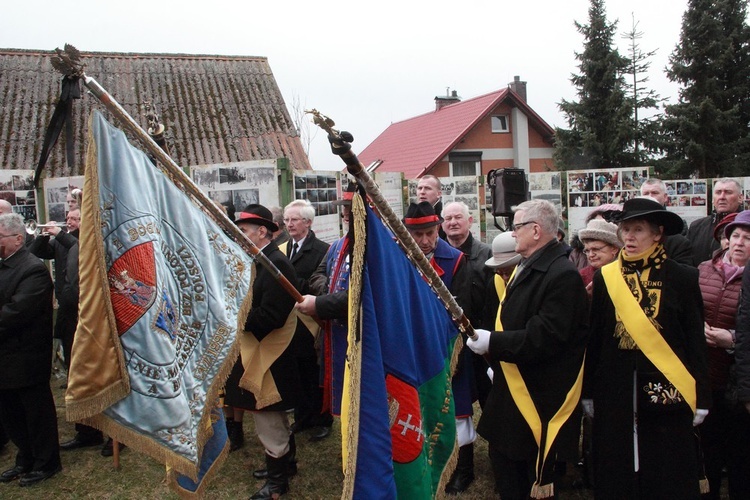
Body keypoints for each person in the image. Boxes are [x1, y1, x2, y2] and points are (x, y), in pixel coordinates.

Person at [584, 197, 710, 499]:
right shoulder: (606, 277)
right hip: (615, 387)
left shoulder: (682, 276)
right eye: (625, 229)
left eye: (638, 229)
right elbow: (597, 337)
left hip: (666, 387)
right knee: (618, 466)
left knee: (665, 468)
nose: (629, 237)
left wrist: (701, 395)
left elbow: (695, 339)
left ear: (657, 234)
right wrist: (589, 389)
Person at [467, 199, 589, 498]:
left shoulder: (561, 274)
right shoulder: (532, 265)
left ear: (536, 230)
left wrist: (493, 342)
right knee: (507, 472)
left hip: (536, 399)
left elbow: (546, 336)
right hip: (514, 389)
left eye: (516, 226)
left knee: (523, 480)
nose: (512, 232)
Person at [224, 205, 302, 499]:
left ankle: (277, 483)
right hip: (264, 354)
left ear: (261, 232)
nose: (239, 237)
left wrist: (234, 315)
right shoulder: (261, 259)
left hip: (271, 357)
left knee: (269, 420)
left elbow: (271, 316)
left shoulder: (275, 264)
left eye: (243, 231)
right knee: (274, 417)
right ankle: (285, 466)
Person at [403, 201, 474, 495]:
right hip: (410, 347)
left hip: (446, 346)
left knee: (455, 409)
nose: (424, 241)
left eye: (430, 233)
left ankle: (463, 467)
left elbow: (464, 310)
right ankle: (421, 459)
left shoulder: (455, 260)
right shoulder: (398, 260)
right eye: (417, 235)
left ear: (438, 229)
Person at [0, 213, 62, 486]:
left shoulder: (32, 269)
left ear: (17, 238)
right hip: (5, 356)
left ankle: (46, 462)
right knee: (11, 414)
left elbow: (16, 313)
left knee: (36, 413)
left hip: (26, 356)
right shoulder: (4, 265)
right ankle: (25, 458)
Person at [697, 210, 750, 499]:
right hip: (705, 376)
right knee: (708, 453)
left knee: (740, 455)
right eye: (735, 236)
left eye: (748, 238)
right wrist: (697, 326)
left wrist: (731, 339)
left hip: (737, 382)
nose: (739, 242)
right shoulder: (704, 269)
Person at [283, 199, 331, 441]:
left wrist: (297, 288)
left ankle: (322, 419)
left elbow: (322, 283)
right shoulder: (284, 247)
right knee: (297, 371)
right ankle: (302, 417)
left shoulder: (322, 249)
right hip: (291, 322)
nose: (289, 224)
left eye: (294, 220)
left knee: (316, 372)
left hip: (312, 321)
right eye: (287, 220)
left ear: (308, 223)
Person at [441, 201, 493, 422]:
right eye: (448, 219)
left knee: (488, 395)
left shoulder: (486, 253)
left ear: (470, 221)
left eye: (458, 217)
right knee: (457, 401)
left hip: (481, 336)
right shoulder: (439, 254)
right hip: (452, 341)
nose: (453, 222)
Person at [688, 178, 742, 265]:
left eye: (728, 192)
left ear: (740, 198)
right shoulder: (696, 226)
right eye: (718, 192)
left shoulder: (747, 227)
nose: (722, 197)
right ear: (713, 199)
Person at [640, 179, 694, 264]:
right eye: (646, 193)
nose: (650, 196)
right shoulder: (630, 226)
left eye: (654, 193)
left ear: (665, 197)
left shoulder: (677, 225)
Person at [577, 218, 622, 295]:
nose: (591, 255)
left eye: (596, 249)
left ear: (614, 249)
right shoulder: (582, 276)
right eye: (587, 251)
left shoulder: (626, 273)